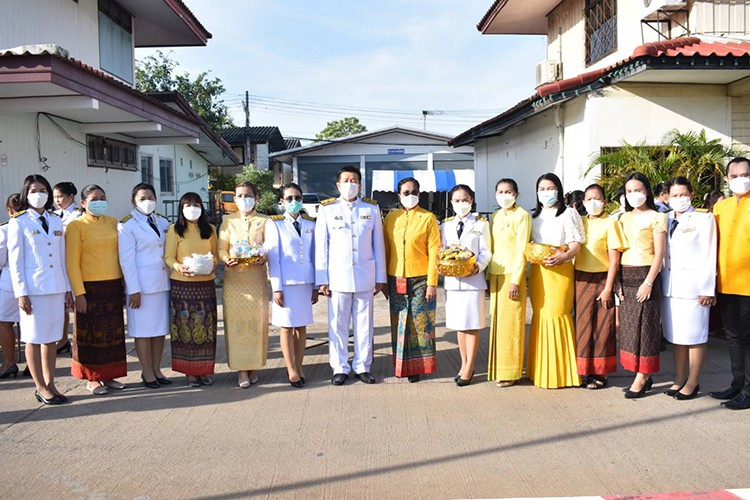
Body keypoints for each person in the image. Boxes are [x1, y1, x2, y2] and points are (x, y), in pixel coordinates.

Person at [315, 166, 386, 386]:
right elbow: (321, 247)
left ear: (360, 185)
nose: (350, 184)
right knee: (338, 324)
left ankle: (363, 366)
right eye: (345, 180)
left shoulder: (371, 208)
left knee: (365, 325)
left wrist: (380, 277)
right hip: (337, 277)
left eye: (354, 180)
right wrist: (322, 279)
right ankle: (339, 367)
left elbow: (378, 245)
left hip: (365, 275)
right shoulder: (327, 209)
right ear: (338, 185)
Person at [8, 175, 72, 404]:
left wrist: (67, 289)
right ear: (26, 194)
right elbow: (16, 262)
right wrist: (21, 293)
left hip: (55, 287)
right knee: (33, 338)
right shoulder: (19, 222)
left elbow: (62, 257)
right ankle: (40, 386)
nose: (39, 194)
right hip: (33, 290)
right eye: (34, 190)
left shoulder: (55, 220)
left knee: (51, 339)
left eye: (43, 190)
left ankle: (51, 383)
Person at [66, 184, 127, 395]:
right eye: (94, 199)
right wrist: (79, 293)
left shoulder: (113, 223)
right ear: (83, 203)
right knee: (90, 336)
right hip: (89, 289)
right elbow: (72, 263)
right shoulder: (76, 226)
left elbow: (121, 255)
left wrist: (124, 285)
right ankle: (92, 379)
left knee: (112, 334)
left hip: (112, 286)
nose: (99, 202)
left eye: (102, 198)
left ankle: (109, 376)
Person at [526, 173, 585, 389]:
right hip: (538, 272)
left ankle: (562, 373)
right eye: (542, 189)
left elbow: (576, 243)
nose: (546, 192)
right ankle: (539, 371)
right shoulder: (532, 216)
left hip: (560, 271)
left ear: (558, 190)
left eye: (550, 188)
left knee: (557, 314)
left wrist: (565, 256)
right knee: (541, 316)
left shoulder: (569, 213)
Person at [661, 177, 716, 401]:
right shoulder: (664, 219)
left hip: (695, 288)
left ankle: (693, 381)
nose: (679, 199)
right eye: (674, 195)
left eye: (683, 194)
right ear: (667, 197)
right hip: (671, 287)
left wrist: (708, 288)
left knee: (695, 336)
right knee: (677, 336)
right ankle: (679, 377)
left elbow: (709, 253)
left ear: (691, 195)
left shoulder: (703, 219)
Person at [383, 177, 440, 382]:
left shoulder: (428, 218)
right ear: (399, 195)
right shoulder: (391, 218)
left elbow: (435, 251)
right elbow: (385, 249)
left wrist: (432, 283)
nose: (410, 195)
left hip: (421, 279)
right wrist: (383, 280)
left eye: (414, 192)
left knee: (420, 324)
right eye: (406, 192)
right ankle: (401, 366)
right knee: (399, 323)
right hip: (396, 278)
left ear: (419, 194)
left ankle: (417, 367)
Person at [618, 172, 667, 399]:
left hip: (646, 274)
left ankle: (643, 376)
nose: (633, 194)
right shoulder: (622, 218)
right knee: (630, 329)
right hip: (626, 275)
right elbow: (617, 250)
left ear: (646, 191)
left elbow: (659, 253)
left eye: (637, 190)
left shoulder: (657, 217)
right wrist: (617, 281)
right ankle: (638, 372)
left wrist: (649, 282)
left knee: (646, 327)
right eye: (629, 191)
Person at [118, 183, 172, 389]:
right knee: (142, 331)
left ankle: (157, 369)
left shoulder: (162, 221)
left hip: (161, 283)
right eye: (142, 198)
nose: (147, 201)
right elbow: (127, 260)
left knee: (159, 330)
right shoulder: (127, 225)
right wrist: (133, 289)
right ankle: (146, 371)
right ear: (133, 201)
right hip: (141, 287)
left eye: (150, 197)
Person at [574, 184, 627, 389]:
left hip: (603, 278)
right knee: (583, 325)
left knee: (603, 326)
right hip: (580, 278)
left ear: (604, 201)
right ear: (583, 202)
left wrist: (608, 288)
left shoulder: (611, 223)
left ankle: (601, 372)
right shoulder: (579, 222)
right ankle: (584, 370)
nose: (593, 202)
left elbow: (614, 261)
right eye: (589, 199)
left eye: (597, 198)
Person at [266, 182, 318, 388]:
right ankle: (291, 369)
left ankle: (300, 365)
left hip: (305, 282)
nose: (294, 201)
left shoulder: (310, 223)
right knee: (287, 327)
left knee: (302, 326)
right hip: (286, 283)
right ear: (281, 201)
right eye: (289, 198)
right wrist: (276, 288)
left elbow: (315, 255)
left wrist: (316, 285)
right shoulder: (275, 224)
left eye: (297, 198)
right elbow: (274, 258)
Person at [218, 181, 269, 388]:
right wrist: (225, 259)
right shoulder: (227, 221)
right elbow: (221, 247)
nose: (243, 199)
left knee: (257, 324)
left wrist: (264, 257)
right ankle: (241, 371)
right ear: (234, 198)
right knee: (236, 325)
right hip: (234, 281)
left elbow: (270, 247)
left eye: (248, 195)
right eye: (239, 196)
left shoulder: (265, 220)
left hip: (256, 280)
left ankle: (254, 366)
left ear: (256, 198)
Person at [165, 192, 218, 387]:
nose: (192, 209)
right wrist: (179, 267)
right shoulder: (175, 229)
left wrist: (213, 264)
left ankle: (203, 370)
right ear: (181, 208)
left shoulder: (210, 229)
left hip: (205, 284)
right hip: (183, 286)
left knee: (206, 327)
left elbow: (216, 254)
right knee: (185, 328)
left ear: (202, 207)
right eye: (188, 205)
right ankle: (189, 372)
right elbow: (169, 257)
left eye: (196, 205)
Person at [440, 185, 490, 386]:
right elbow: (442, 250)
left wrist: (478, 266)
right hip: (453, 283)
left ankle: (470, 367)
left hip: (473, 282)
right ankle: (463, 364)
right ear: (451, 202)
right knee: (460, 326)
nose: (462, 204)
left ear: (472, 200)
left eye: (465, 200)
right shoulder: (446, 225)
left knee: (472, 324)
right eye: (457, 200)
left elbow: (486, 252)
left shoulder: (481, 224)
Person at [711, 157, 750, 410]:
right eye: (734, 176)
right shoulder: (720, 208)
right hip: (725, 283)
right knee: (734, 338)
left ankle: (748, 390)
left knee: (747, 339)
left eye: (745, 175)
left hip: (748, 286)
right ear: (726, 179)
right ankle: (737, 383)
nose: (739, 180)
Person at [487, 179, 531, 388]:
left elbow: (522, 250)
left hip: (512, 275)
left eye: (508, 192)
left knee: (512, 324)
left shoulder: (522, 215)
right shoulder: (496, 216)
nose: (504, 195)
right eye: (500, 192)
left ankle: (512, 371)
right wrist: (488, 276)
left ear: (516, 194)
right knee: (497, 324)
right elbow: (492, 247)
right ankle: (499, 368)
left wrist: (516, 280)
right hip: (496, 274)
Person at [52, 181, 81, 355]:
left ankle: (78, 342)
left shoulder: (78, 215)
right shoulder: (53, 216)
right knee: (62, 306)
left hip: (74, 265)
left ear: (71, 196)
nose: (57, 200)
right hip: (59, 266)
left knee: (77, 305)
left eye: (61, 196)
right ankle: (62, 340)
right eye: (55, 197)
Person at [0, 194, 21, 380]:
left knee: (4, 322)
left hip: (10, 283)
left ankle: (9, 362)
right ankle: (34, 365)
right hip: (33, 283)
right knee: (32, 324)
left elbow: (0, 258)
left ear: (9, 210)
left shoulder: (5, 229)